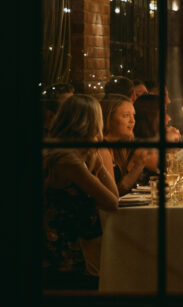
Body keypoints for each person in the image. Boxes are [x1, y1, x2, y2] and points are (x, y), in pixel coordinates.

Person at [43, 94, 119, 289]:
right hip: (66, 248)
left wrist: (96, 155)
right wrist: (98, 157)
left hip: (77, 244)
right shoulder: (68, 160)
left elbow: (114, 196)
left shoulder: (78, 156)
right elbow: (111, 201)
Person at [100, 94, 149, 196]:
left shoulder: (118, 147)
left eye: (133, 115)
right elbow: (113, 194)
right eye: (126, 115)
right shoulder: (102, 149)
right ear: (108, 118)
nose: (133, 121)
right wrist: (139, 165)